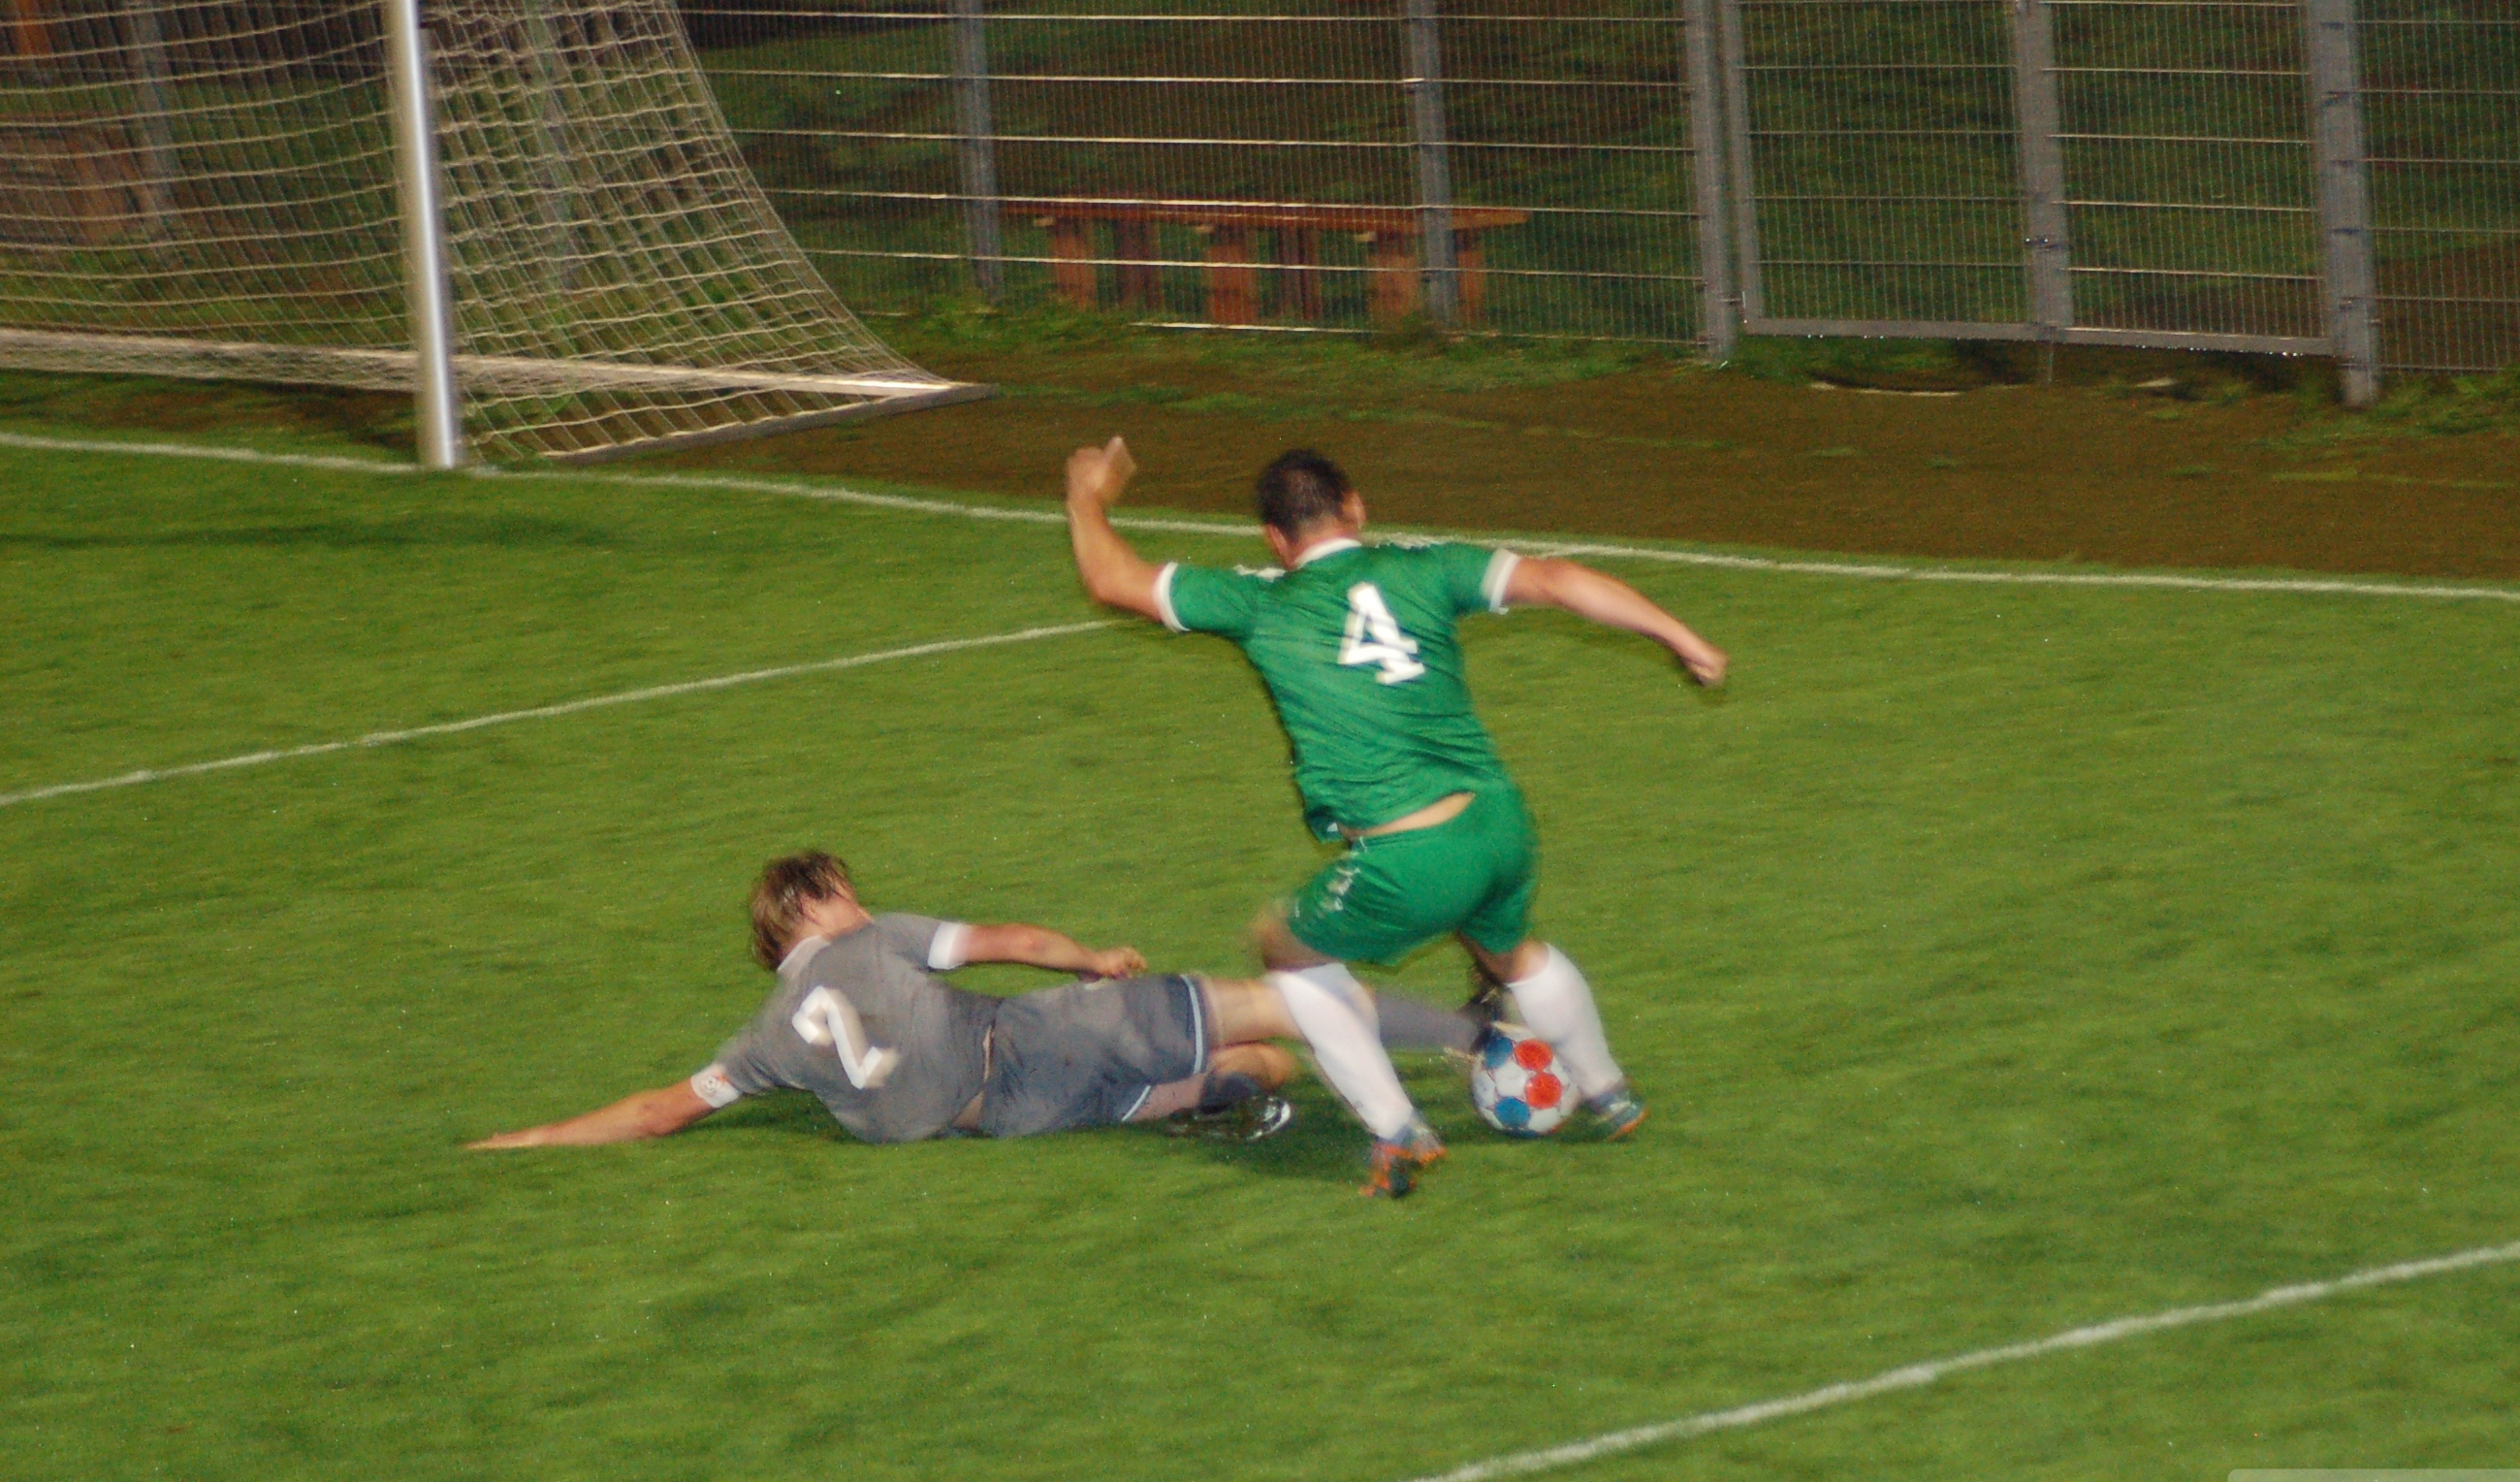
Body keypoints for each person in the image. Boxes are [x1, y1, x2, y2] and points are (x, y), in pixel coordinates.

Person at [1064, 437, 1728, 1197]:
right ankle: (1609, 1093)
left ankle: (1396, 1129)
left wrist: (1087, 493)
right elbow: (1559, 579)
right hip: (1500, 825)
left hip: (1411, 857)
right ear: (1355, 507)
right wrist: (1683, 637)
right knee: (1509, 950)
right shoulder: (1428, 568)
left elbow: (1110, 578)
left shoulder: (1260, 602)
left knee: (1285, 949)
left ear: (1275, 539)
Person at [468, 851, 1380, 1150]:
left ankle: (1208, 1100)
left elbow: (658, 1113)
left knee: (1258, 1068)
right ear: (811, 904)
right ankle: (1436, 1037)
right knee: (1268, 1015)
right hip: (1031, 1040)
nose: (859, 902)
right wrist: (1093, 961)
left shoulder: (762, 1042)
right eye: (845, 891)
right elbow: (1016, 943)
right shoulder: (873, 939)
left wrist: (531, 1138)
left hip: (1006, 1116)